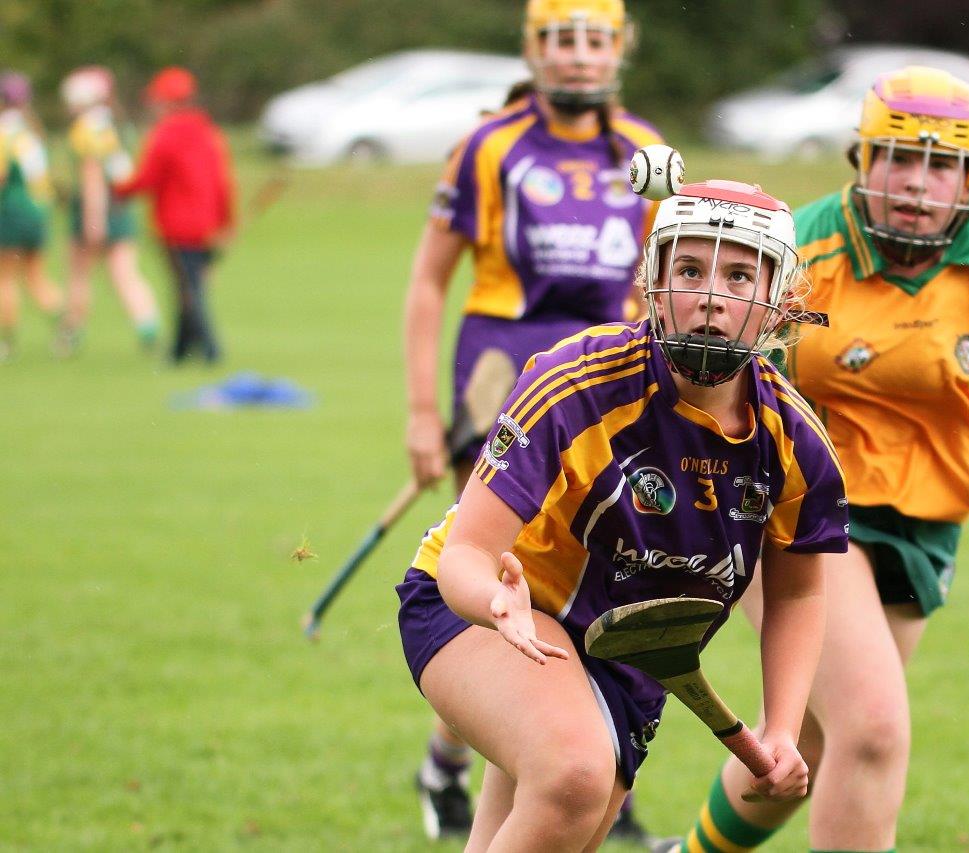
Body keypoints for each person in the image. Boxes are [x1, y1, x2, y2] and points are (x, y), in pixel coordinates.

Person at [663, 66, 969, 853]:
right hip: (795, 507)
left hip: (923, 523)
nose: (918, 183)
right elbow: (693, 353)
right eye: (898, 158)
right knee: (874, 728)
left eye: (941, 165)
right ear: (860, 159)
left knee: (818, 743)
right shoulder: (801, 249)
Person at [397, 178, 851, 852]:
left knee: (568, 816)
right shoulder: (575, 383)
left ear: (779, 303)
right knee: (576, 773)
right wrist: (498, 603)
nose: (710, 297)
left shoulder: (796, 441)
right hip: (482, 611)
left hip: (627, 656)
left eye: (738, 276)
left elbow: (799, 590)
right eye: (690, 269)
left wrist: (782, 727)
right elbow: (466, 553)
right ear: (652, 281)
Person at [402, 0, 663, 839]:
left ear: (619, 50)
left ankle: (519, 763)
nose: (578, 58)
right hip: (500, 384)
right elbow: (429, 280)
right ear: (533, 50)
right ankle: (551, 763)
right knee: (505, 579)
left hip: (614, 393)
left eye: (594, 41)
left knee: (593, 577)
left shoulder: (648, 154)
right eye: (560, 40)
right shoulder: (491, 146)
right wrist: (418, 410)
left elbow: (672, 278)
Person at [114, 67, 236, 365]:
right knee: (188, 285)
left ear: (167, 102)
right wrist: (225, 222)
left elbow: (147, 179)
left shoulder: (164, 135)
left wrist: (118, 189)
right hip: (206, 225)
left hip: (177, 225)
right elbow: (223, 183)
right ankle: (180, 351)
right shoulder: (209, 132)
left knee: (189, 288)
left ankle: (209, 348)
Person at [59, 65, 160, 356]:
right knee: (126, 274)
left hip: (96, 212)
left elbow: (92, 178)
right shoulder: (117, 126)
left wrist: (93, 220)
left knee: (79, 275)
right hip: (120, 209)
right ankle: (147, 325)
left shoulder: (85, 130)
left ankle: (70, 334)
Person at [0, 71, 63, 361]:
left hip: (10, 211)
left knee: (5, 278)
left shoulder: (4, 133)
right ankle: (67, 324)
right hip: (37, 212)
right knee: (36, 277)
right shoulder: (32, 132)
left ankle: (5, 342)